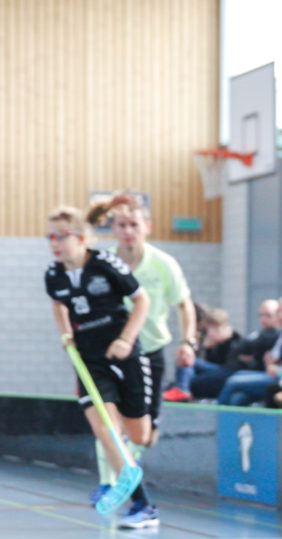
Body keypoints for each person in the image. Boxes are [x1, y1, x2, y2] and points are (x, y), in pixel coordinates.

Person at [43, 205, 157, 528]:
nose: (54, 243)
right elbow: (58, 303)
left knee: (139, 434)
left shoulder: (106, 264)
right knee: (105, 429)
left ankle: (127, 461)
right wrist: (66, 334)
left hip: (124, 355)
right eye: (50, 236)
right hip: (89, 359)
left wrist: (125, 339)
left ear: (80, 238)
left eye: (61, 236)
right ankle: (143, 505)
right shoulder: (54, 274)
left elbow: (142, 300)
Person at [83, 194, 197, 518]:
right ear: (113, 229)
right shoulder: (103, 263)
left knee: (144, 435)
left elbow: (184, 304)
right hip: (112, 353)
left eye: (134, 224)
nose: (128, 231)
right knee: (106, 421)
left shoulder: (163, 264)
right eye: (121, 225)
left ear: (146, 227)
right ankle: (117, 486)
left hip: (151, 352)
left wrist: (189, 341)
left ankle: (127, 477)